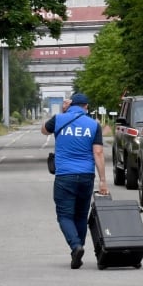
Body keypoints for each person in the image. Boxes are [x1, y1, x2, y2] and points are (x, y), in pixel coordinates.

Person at [41, 93, 109, 269]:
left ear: (70, 105)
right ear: (86, 106)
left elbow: (44, 130)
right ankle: (78, 248)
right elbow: (98, 153)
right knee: (80, 214)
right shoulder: (94, 125)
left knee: (64, 215)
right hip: (86, 176)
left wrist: (63, 112)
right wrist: (103, 181)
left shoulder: (59, 119)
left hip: (64, 176)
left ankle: (75, 246)